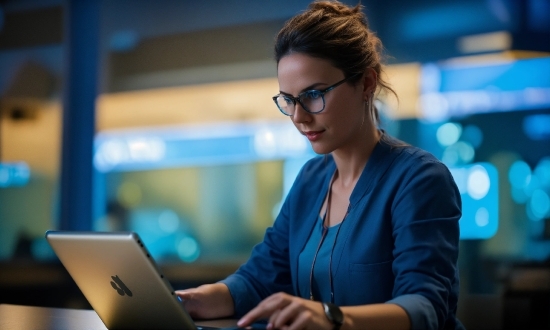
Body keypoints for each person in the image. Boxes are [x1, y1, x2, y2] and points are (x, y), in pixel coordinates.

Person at [176, 1, 463, 329]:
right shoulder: (311, 180)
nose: (299, 116)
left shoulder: (418, 178)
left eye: (313, 94)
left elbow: (426, 307)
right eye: (289, 100)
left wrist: (333, 318)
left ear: (367, 83)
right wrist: (189, 300)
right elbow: (259, 278)